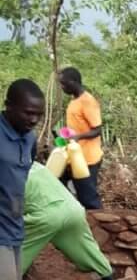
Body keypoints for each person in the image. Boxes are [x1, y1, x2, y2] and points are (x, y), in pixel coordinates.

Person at [0, 79, 44, 280]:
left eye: (38, 115)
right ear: (9, 106)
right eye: (28, 113)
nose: (33, 119)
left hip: (15, 232)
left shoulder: (29, 139)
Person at [22, 162, 114, 280]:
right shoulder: (34, 165)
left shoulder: (8, 171)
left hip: (44, 216)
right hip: (73, 209)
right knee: (86, 251)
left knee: (14, 251)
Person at [58, 66, 103, 209]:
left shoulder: (88, 101)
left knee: (88, 198)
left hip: (88, 159)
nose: (62, 87)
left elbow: (97, 130)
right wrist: (67, 134)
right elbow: (78, 126)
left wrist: (78, 137)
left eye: (64, 84)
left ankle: (98, 225)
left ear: (74, 82)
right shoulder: (74, 101)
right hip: (75, 155)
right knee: (57, 182)